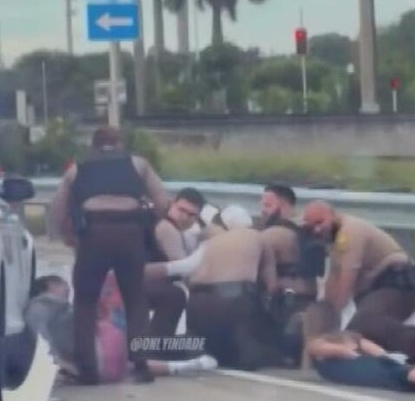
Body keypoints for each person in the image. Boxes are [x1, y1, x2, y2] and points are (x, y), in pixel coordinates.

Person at [48, 126, 171, 384]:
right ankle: (141, 364)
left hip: (93, 234)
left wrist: (66, 235)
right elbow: (162, 203)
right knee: (135, 298)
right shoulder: (138, 165)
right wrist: (147, 223)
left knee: (85, 301)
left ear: (93, 146)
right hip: (129, 231)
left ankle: (87, 369)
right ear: (120, 143)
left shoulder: (76, 170)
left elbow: (57, 210)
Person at [146, 205, 282, 371]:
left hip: (197, 302)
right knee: (251, 357)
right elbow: (271, 285)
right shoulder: (256, 236)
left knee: (202, 348)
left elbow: (189, 276)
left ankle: (152, 348)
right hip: (236, 299)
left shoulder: (209, 243)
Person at [301, 200, 415, 366]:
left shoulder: (349, 233)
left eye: (320, 222)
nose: (317, 229)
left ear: (333, 214)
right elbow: (332, 282)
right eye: (311, 227)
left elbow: (344, 287)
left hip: (398, 286)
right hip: (378, 290)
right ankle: (402, 362)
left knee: (361, 326)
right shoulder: (334, 242)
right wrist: (325, 313)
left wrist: (329, 336)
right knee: (361, 335)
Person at [25, 275, 216, 383]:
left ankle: (190, 363)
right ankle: (191, 358)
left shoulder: (63, 309)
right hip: (104, 345)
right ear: (50, 286)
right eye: (64, 287)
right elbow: (38, 332)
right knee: (143, 353)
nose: (68, 292)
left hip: (102, 350)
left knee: (136, 360)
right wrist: (56, 362)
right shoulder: (42, 304)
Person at [256, 184, 326, 367]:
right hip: (308, 301)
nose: (262, 211)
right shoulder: (312, 231)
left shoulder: (271, 235)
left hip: (284, 306)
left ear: (284, 206)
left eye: (267, 205)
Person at [300, 301, 415, 392]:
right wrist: (386, 355)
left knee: (389, 376)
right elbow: (372, 348)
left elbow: (326, 349)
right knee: (392, 372)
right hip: (368, 361)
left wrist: (347, 352)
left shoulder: (316, 344)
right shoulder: (348, 335)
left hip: (355, 366)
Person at [145, 187, 205, 340]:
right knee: (176, 295)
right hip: (137, 283)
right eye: (181, 210)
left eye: (191, 215)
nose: (184, 217)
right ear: (173, 204)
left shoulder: (162, 222)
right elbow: (184, 269)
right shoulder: (167, 228)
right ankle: (159, 344)